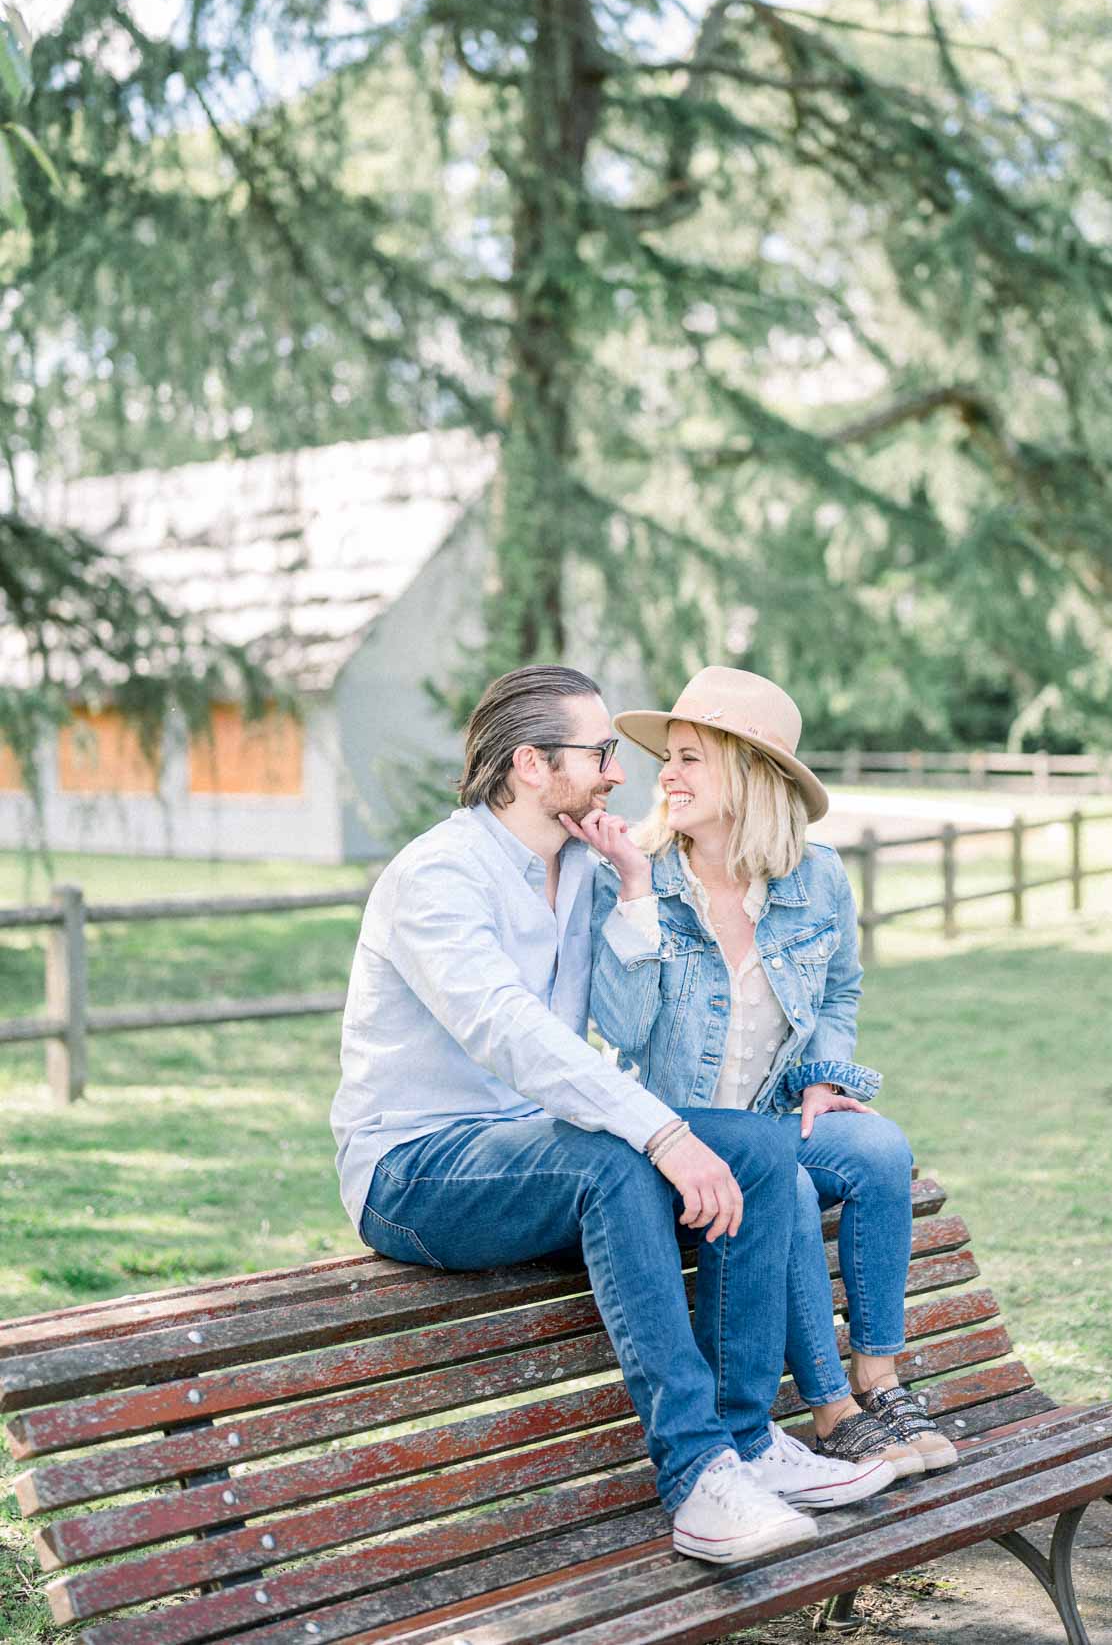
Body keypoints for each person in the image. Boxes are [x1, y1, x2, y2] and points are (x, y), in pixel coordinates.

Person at [331, 664, 894, 1566]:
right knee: (616, 1159)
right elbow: (511, 1034)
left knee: (758, 1150)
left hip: (536, 1150)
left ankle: (749, 1443)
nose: (617, 773)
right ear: (529, 765)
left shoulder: (587, 868)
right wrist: (665, 1135)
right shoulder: (439, 876)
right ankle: (698, 1475)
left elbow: (624, 1017)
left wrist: (634, 881)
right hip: (417, 1171)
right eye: (598, 753)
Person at [571, 665, 958, 1479]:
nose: (665, 777)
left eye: (689, 759)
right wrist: (638, 894)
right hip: (673, 1141)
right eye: (666, 758)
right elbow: (623, 1026)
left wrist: (825, 1075)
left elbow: (840, 990)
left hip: (774, 1118)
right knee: (781, 1173)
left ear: (752, 774)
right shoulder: (632, 875)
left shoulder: (815, 879)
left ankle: (881, 1379)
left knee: (880, 1151)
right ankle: (832, 1408)